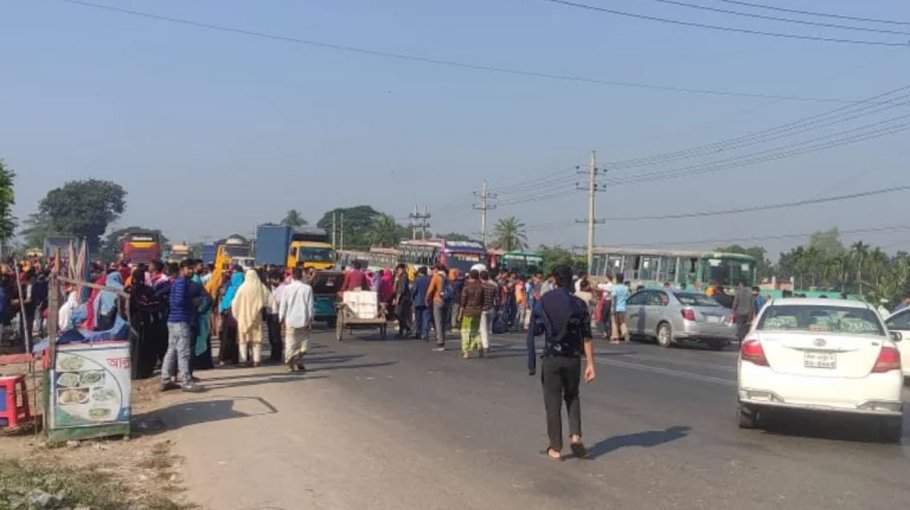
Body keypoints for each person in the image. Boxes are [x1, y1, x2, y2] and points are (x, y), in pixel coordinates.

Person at [526, 265, 596, 461]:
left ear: (554, 281)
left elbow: (535, 331)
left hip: (551, 358)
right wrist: (590, 364)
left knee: (552, 401)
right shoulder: (579, 304)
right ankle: (575, 435)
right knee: (572, 396)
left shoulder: (544, 302)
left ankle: (555, 448)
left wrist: (531, 362)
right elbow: (587, 337)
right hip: (573, 359)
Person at [161, 260, 202, 392]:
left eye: (192, 269)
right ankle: (186, 381)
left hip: (173, 320)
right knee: (183, 352)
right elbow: (179, 302)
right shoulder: (181, 283)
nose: (191, 271)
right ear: (182, 269)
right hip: (180, 321)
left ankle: (166, 379)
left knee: (171, 350)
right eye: (188, 269)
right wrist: (192, 302)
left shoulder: (177, 283)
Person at [231, 269, 275, 367]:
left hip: (243, 317)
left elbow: (235, 303)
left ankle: (242, 360)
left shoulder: (242, 288)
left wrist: (236, 315)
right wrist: (273, 309)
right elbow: (271, 299)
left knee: (243, 340)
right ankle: (256, 360)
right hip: (256, 317)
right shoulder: (260, 287)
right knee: (256, 339)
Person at [278, 268, 314, 372]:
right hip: (304, 321)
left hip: (290, 320)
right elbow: (310, 306)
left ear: (292, 276)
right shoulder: (307, 289)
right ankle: (297, 359)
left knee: (290, 343)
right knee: (304, 345)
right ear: (303, 275)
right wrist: (311, 319)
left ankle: (290, 363)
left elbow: (283, 306)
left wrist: (281, 319)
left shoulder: (287, 288)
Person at [190, 261, 215, 371]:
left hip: (201, 314)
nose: (203, 268)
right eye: (200, 266)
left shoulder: (197, 279)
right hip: (200, 314)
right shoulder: (195, 280)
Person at [218, 271, 244, 365]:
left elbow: (225, 303)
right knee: (238, 338)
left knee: (227, 337)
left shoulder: (232, 288)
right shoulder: (243, 289)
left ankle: (224, 357)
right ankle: (236, 358)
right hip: (240, 316)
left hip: (229, 315)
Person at [459, 269, 486, 359]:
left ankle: (466, 351)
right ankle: (479, 343)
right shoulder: (481, 287)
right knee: (475, 330)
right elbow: (483, 300)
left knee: (465, 331)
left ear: (470, 276)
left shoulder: (466, 287)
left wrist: (461, 311)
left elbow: (463, 301)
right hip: (478, 311)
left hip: (468, 311)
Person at [426, 265, 448, 351]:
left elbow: (430, 289)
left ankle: (440, 340)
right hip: (447, 301)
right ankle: (443, 337)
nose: (432, 270)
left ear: (437, 269)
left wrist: (426, 298)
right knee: (444, 321)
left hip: (438, 300)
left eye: (433, 269)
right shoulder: (447, 277)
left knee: (438, 321)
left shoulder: (436, 277)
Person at [479, 270, 498, 357]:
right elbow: (496, 298)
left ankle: (485, 345)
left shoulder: (480, 286)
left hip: (482, 309)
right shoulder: (493, 286)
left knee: (483, 328)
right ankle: (487, 343)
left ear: (480, 277)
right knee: (488, 328)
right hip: (491, 308)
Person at [411, 266, 431, 341]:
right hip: (427, 301)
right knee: (426, 318)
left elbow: (414, 290)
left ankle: (418, 333)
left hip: (418, 301)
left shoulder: (417, 280)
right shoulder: (429, 280)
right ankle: (425, 333)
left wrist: (412, 297)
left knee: (418, 318)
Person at [393, 264, 412, 338]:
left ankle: (407, 328)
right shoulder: (399, 277)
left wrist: (397, 299)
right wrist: (396, 280)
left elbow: (401, 290)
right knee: (400, 314)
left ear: (403, 269)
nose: (399, 271)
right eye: (398, 269)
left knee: (398, 313)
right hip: (400, 298)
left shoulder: (404, 277)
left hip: (403, 299)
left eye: (400, 269)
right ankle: (401, 331)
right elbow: (395, 289)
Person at [610, 274, 630, 344]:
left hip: (616, 307)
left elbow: (614, 298)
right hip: (623, 307)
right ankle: (625, 332)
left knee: (614, 322)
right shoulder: (626, 288)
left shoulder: (615, 288)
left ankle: (615, 337)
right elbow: (628, 297)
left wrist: (613, 308)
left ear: (617, 279)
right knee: (622, 322)